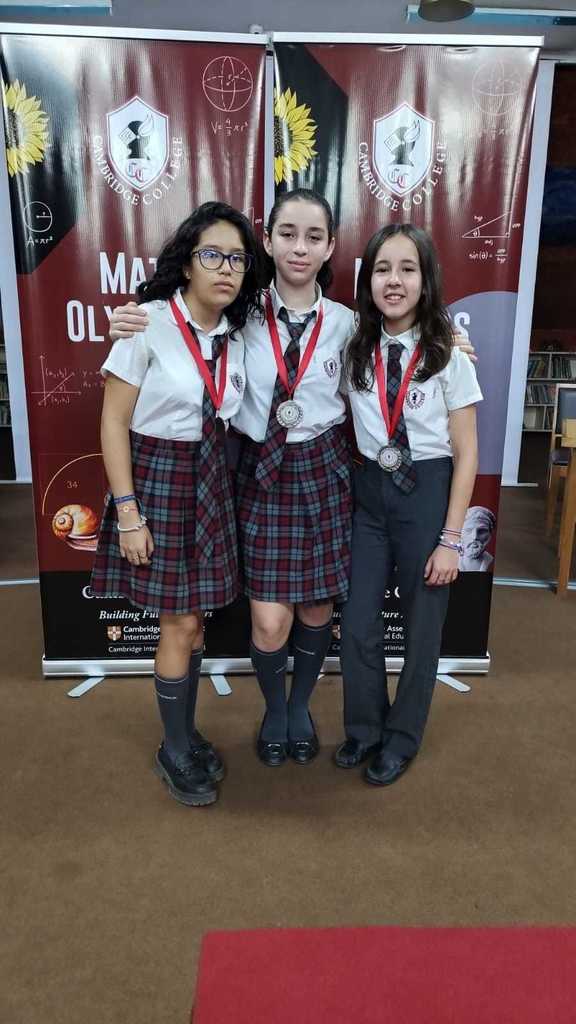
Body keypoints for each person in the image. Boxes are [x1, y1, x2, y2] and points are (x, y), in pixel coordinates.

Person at [109, 189, 355, 768]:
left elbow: (402, 351)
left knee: (317, 609)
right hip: (253, 468)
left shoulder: (348, 324)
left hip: (322, 468)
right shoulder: (241, 315)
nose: (299, 247)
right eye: (286, 234)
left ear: (329, 247)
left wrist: (452, 344)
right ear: (267, 242)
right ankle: (268, 711)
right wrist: (126, 316)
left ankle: (298, 709)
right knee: (268, 620)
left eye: (313, 237)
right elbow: (175, 333)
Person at [91, 201, 262, 806]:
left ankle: (185, 735)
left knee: (195, 626)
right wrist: (128, 513)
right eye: (212, 255)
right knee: (180, 623)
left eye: (237, 259)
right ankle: (174, 749)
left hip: (212, 481)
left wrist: (446, 339)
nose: (226, 268)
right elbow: (113, 423)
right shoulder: (147, 323)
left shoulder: (237, 336)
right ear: (187, 263)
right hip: (158, 481)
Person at [335, 223, 482, 787]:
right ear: (367, 280)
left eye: (406, 269)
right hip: (370, 491)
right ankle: (365, 728)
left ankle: (401, 738)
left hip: (427, 490)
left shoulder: (448, 354)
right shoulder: (354, 349)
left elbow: (467, 453)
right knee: (359, 622)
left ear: (426, 280)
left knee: (422, 628)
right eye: (381, 269)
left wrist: (451, 540)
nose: (393, 281)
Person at [459, 506, 496, 571]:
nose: (475, 537)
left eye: (482, 531)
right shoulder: (449, 558)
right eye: (468, 530)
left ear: (490, 535)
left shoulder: (492, 563)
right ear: (461, 533)